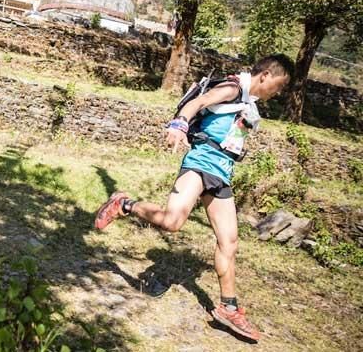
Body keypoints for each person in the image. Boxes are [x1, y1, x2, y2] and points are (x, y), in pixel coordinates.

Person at [94, 54, 295, 341]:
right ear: (265, 75)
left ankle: (228, 307)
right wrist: (179, 124)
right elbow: (198, 102)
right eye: (278, 85)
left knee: (229, 241)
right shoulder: (234, 88)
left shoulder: (248, 100)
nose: (277, 92)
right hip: (200, 164)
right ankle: (124, 204)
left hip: (221, 174)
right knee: (173, 222)